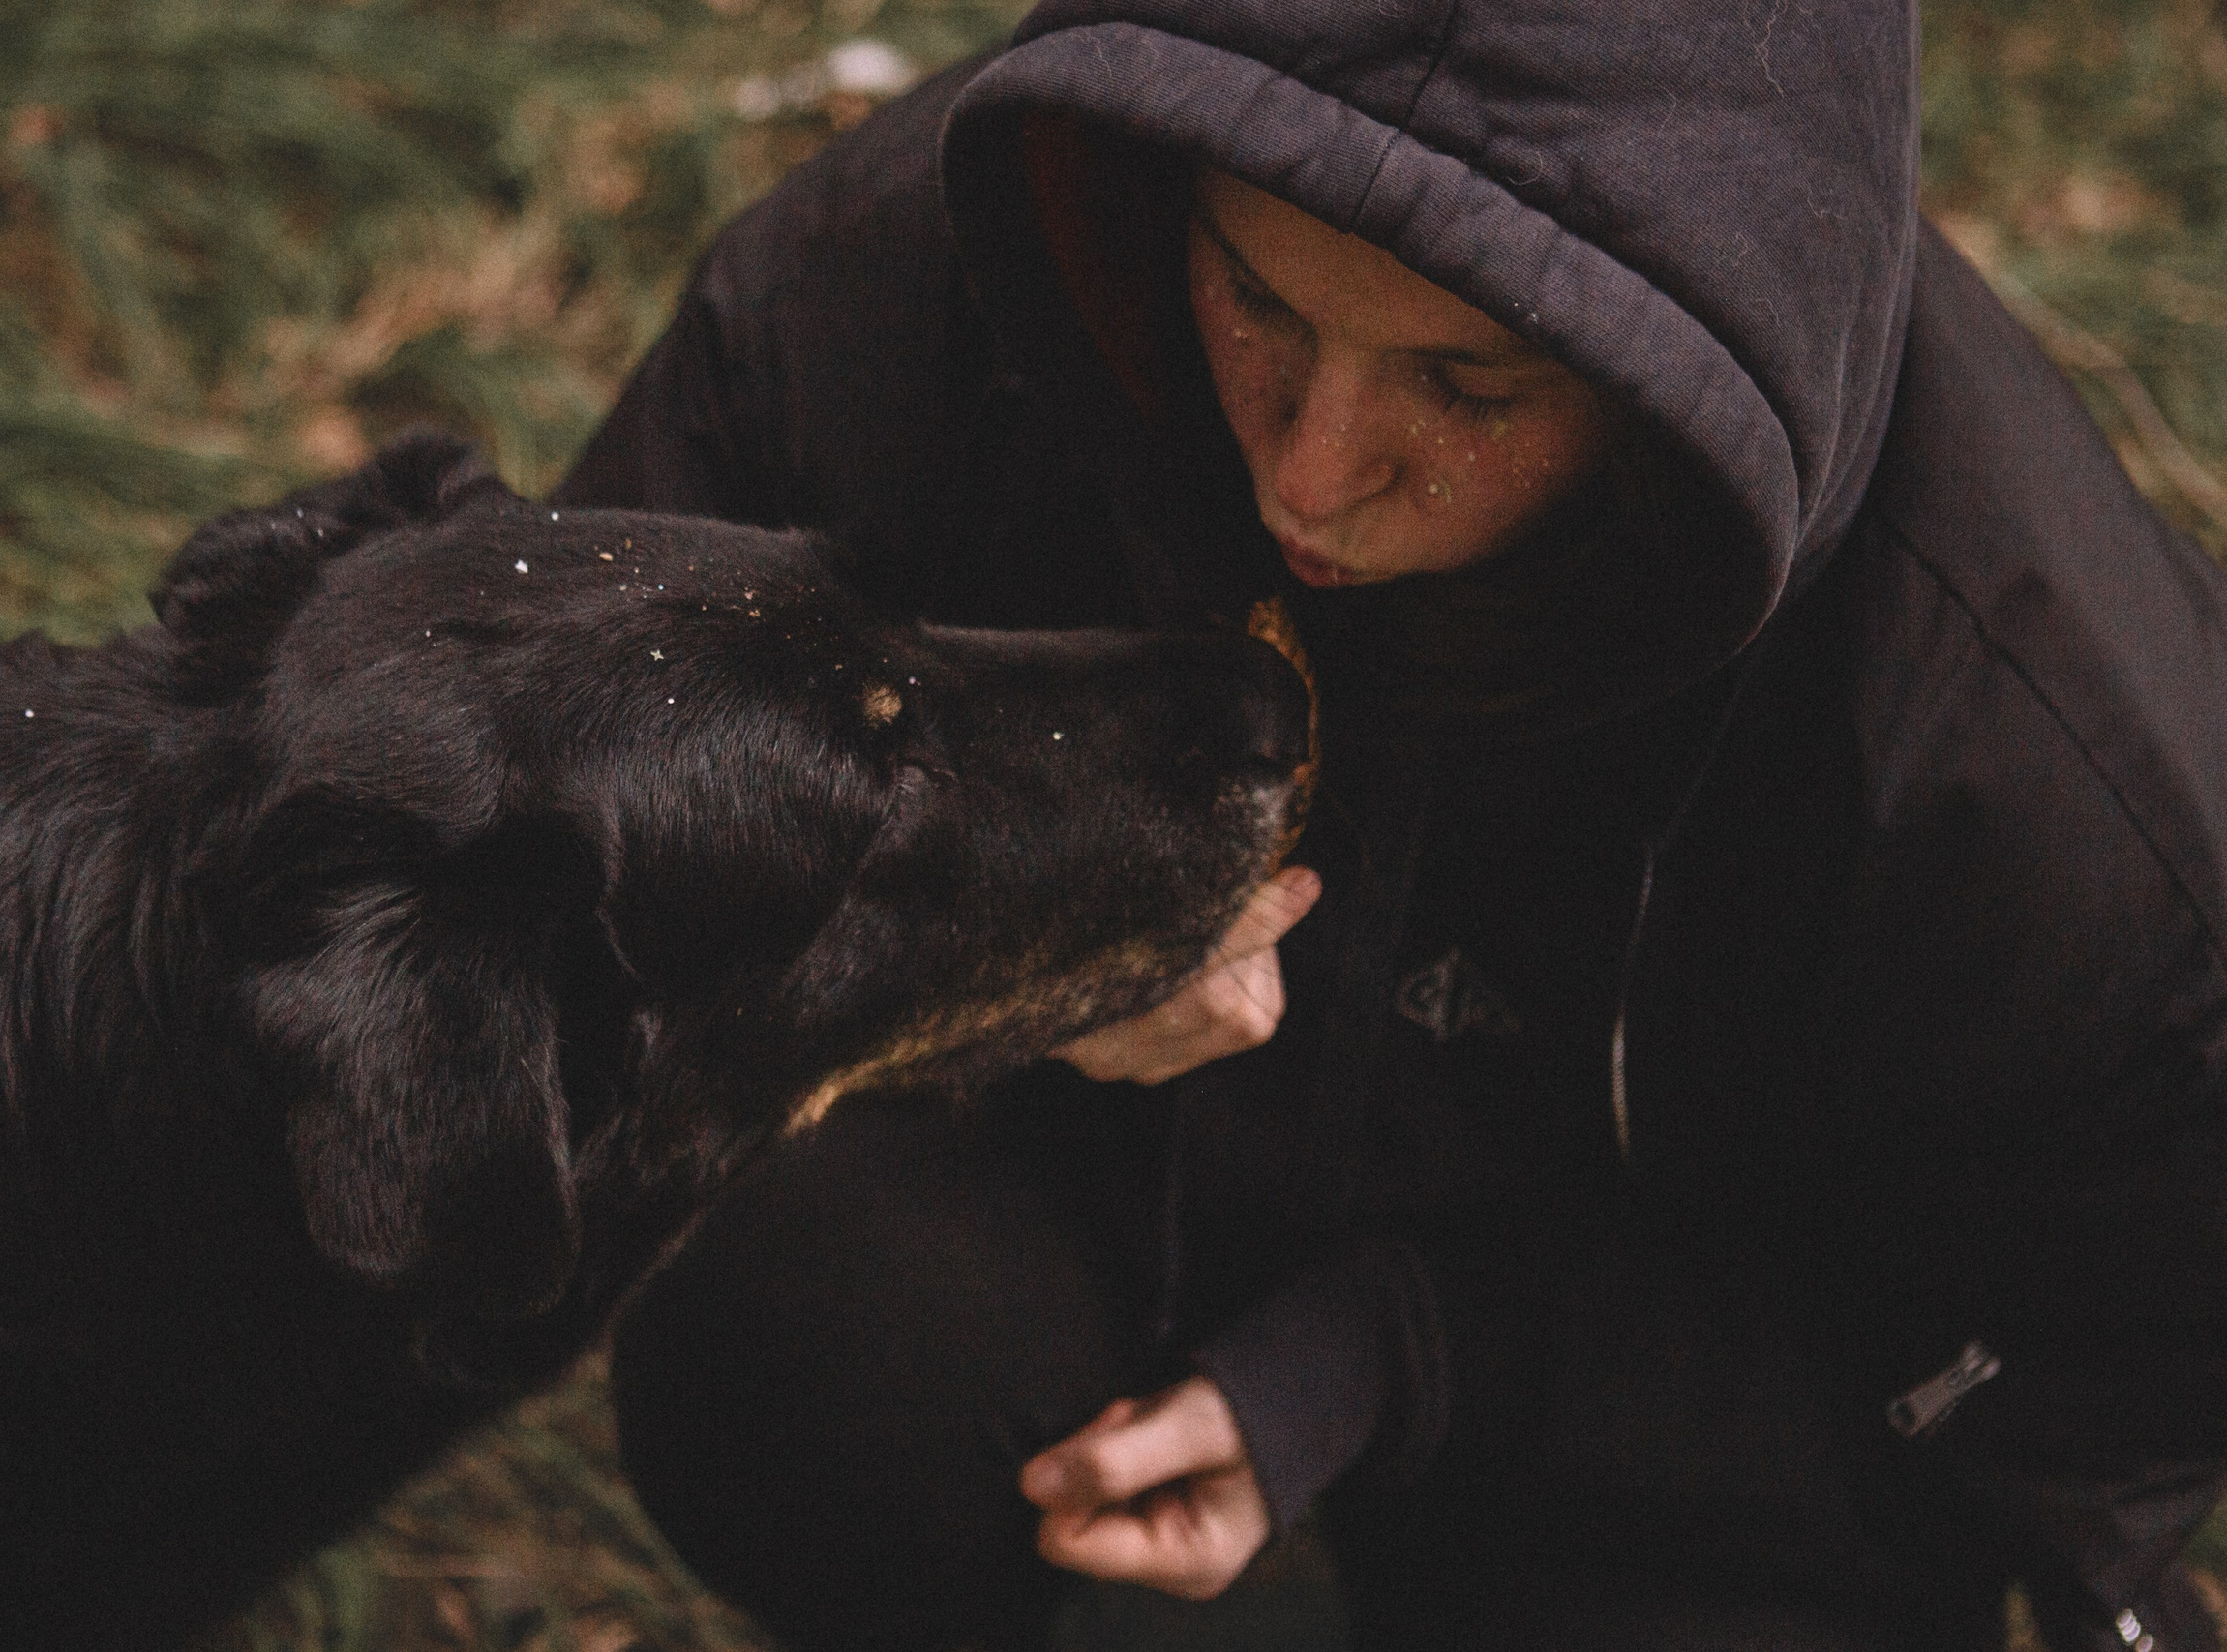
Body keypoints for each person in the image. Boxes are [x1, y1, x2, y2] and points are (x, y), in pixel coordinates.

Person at [554, 2, 2227, 1649]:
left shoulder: (2049, 777)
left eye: (1467, 386)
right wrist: (955, 978)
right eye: (1256, 301)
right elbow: (565, 823)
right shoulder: (975, 247)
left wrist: (1403, 1356)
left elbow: (2068, 1391)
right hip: (1084, 1214)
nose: (1311, 475)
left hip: (1638, 1410)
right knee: (798, 1353)